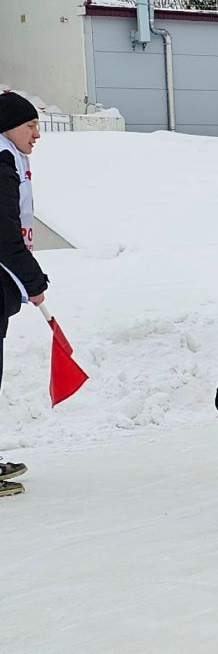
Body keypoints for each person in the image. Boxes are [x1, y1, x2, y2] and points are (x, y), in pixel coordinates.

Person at [0, 93, 48, 497]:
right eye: (30, 125)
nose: (37, 134)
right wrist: (34, 281)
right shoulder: (1, 166)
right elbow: (4, 235)